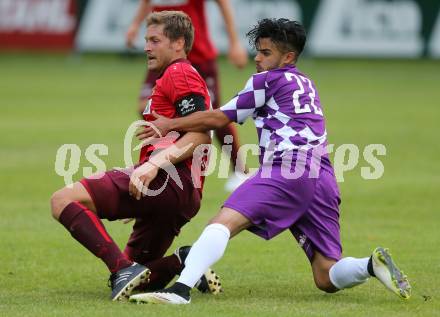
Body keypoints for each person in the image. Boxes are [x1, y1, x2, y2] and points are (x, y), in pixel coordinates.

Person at [128, 18, 412, 305]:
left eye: (265, 53)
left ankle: (180, 292)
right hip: (322, 174)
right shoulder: (306, 83)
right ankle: (369, 265)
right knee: (326, 276)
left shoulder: (267, 80)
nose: (257, 58)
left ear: (287, 57)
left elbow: (218, 117)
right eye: (258, 51)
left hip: (287, 168)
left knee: (222, 223)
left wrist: (170, 124)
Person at [50, 11, 222, 301]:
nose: (146, 47)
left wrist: (152, 166)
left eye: (155, 40)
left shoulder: (180, 73)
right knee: (142, 279)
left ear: (178, 43)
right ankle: (185, 260)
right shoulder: (174, 76)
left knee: (62, 200)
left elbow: (201, 134)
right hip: (177, 192)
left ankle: (121, 268)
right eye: (146, 40)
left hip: (168, 180)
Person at [126, 0, 250, 191]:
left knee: (210, 117)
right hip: (163, 55)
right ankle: (166, 162)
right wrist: (135, 25)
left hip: (198, 56)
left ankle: (241, 170)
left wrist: (235, 42)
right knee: (146, 106)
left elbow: (223, 3)